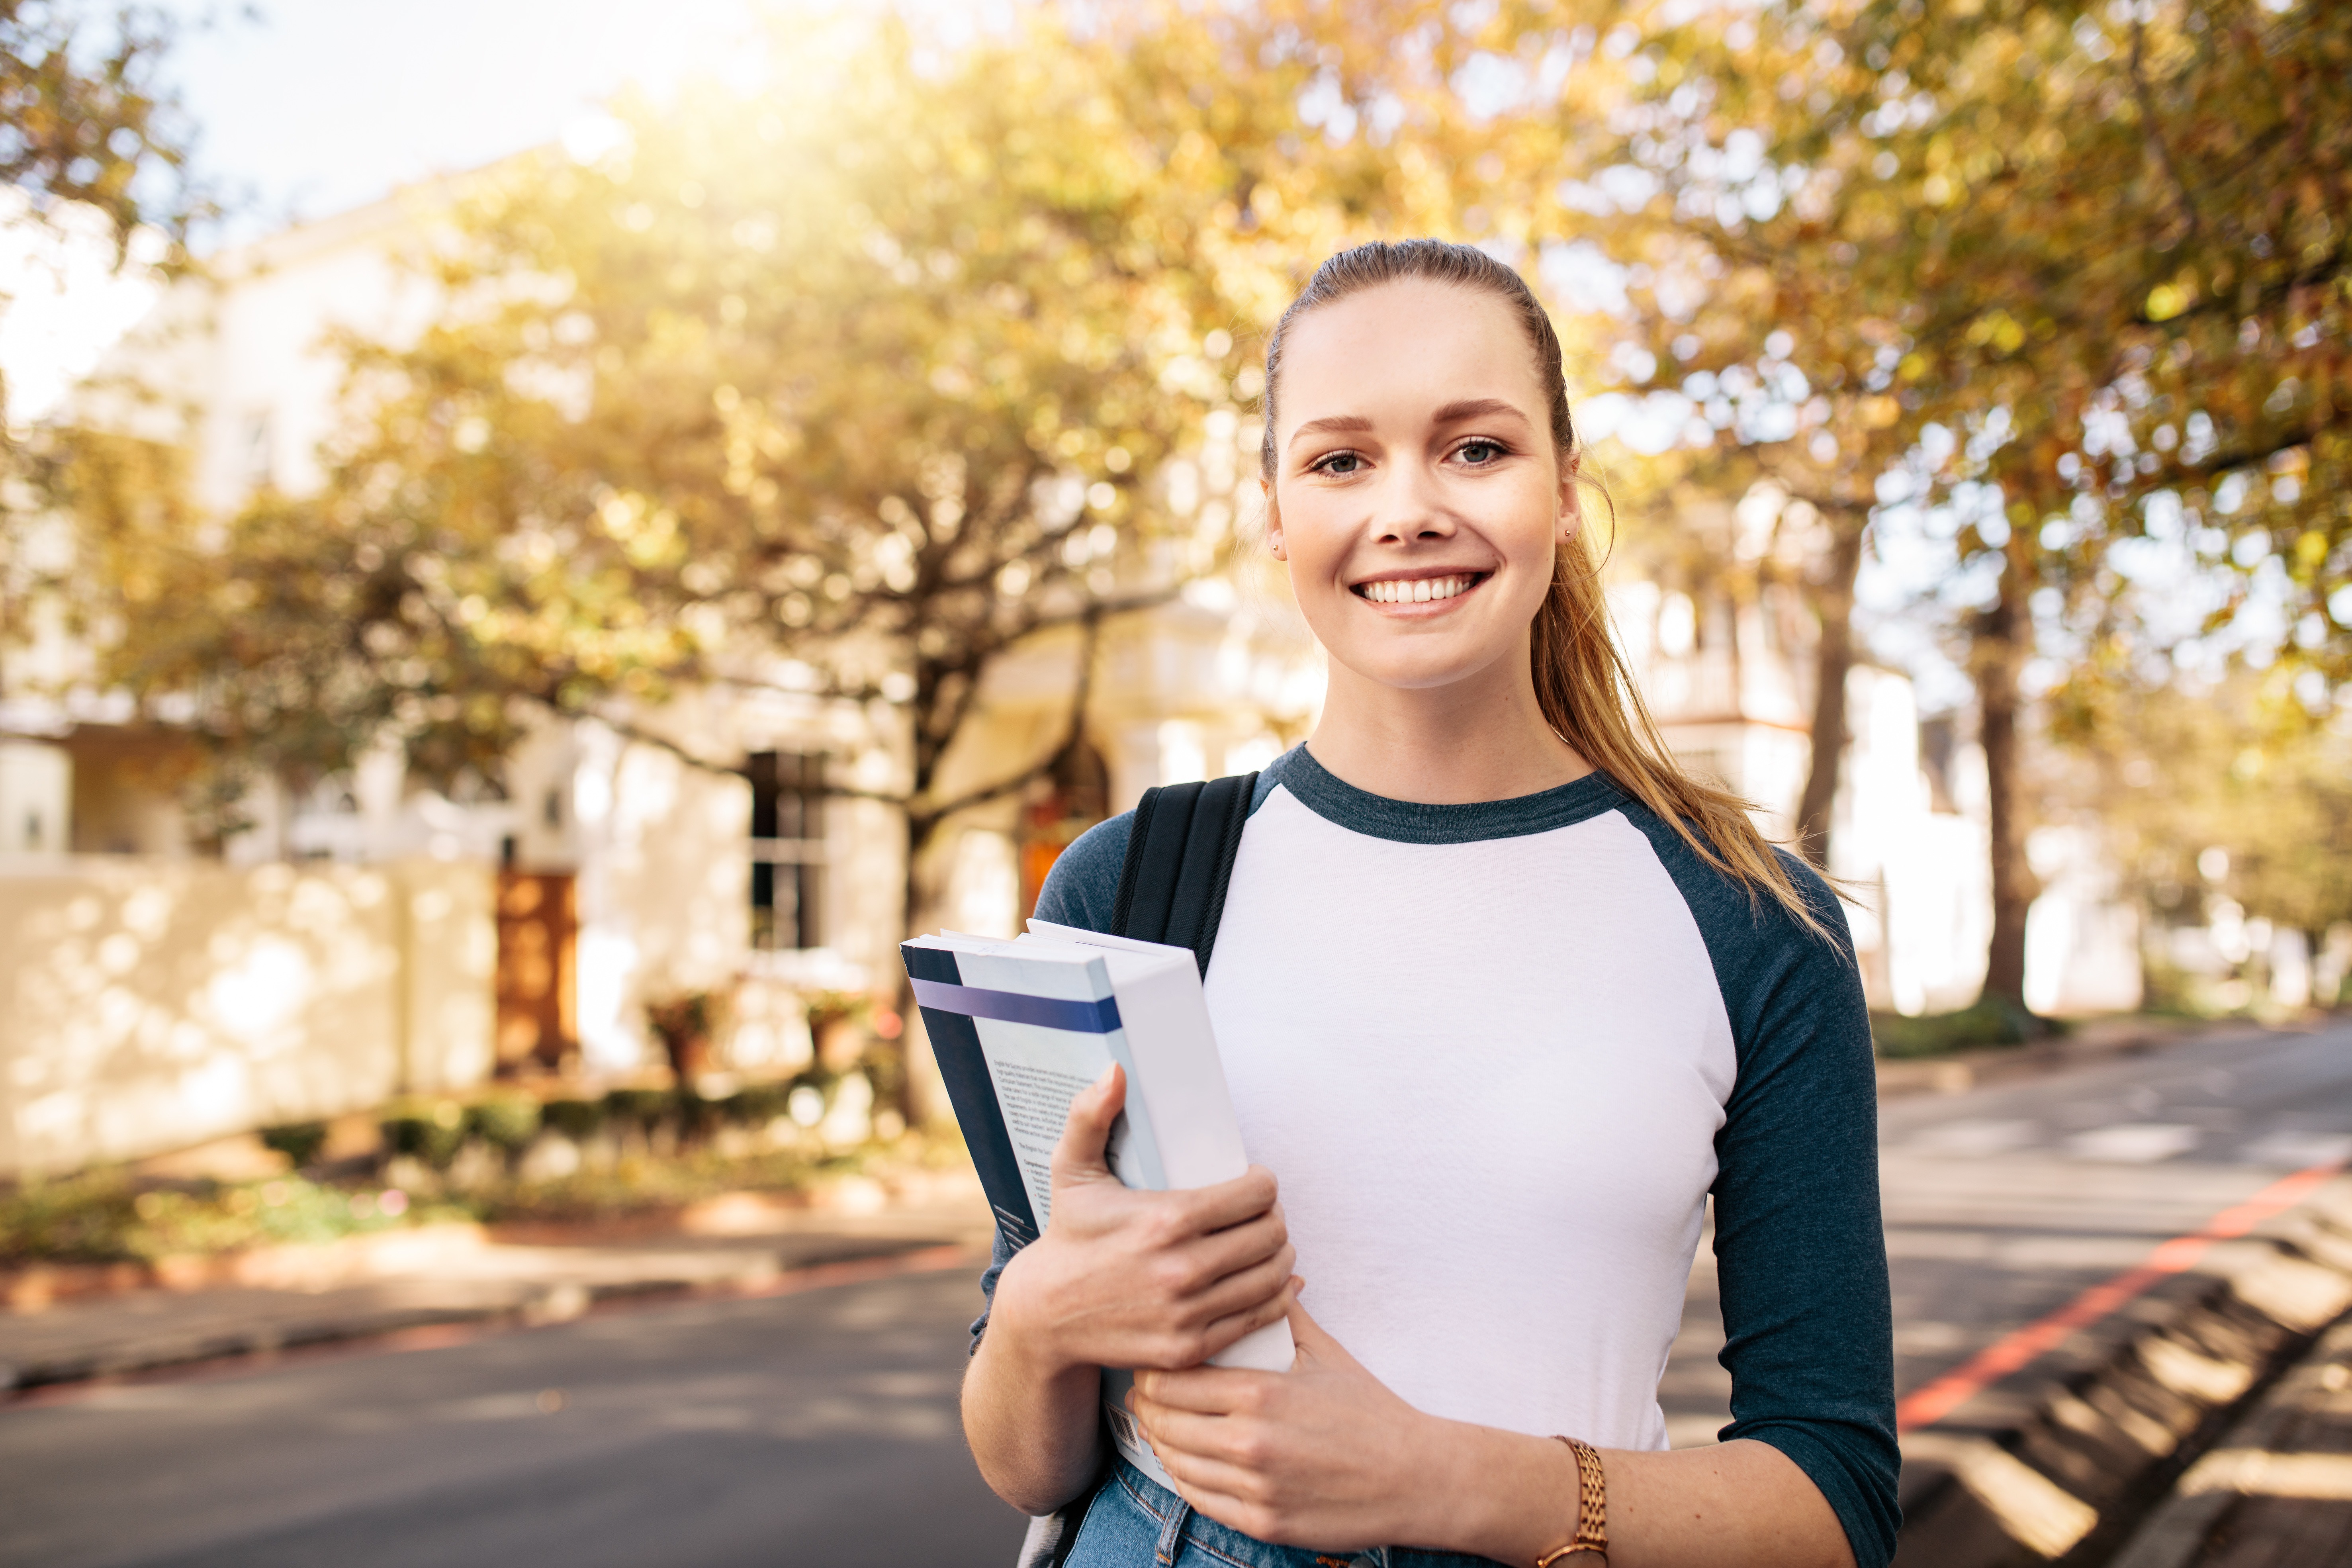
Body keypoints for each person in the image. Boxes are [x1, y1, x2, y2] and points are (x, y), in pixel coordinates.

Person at [959, 239, 1898, 1568]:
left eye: (1474, 449)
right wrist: (1043, 1313)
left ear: (1564, 492)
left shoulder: (1752, 923)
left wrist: (1446, 1481)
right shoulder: (1127, 884)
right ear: (1276, 510)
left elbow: (1838, 1498)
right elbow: (1026, 1459)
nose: (1406, 508)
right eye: (1340, 460)